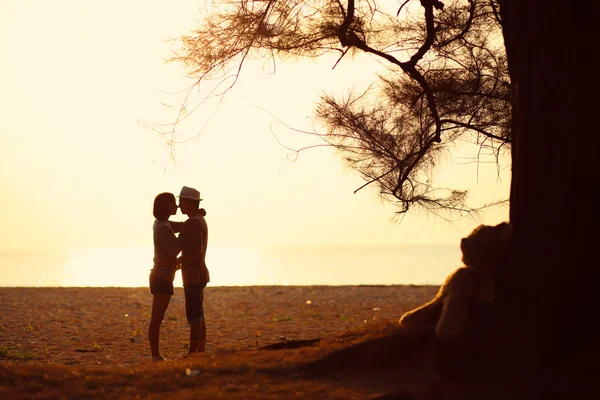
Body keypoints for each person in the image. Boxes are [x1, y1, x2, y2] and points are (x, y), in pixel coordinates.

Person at [148, 192, 182, 362]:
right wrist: (186, 238)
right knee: (157, 318)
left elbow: (180, 226)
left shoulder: (161, 223)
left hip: (161, 276)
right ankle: (155, 355)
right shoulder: (162, 227)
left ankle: (155, 354)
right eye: (173, 204)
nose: (176, 206)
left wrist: (195, 218)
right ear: (165, 207)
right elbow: (175, 249)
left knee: (157, 318)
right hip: (162, 277)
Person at [177, 185, 210, 355]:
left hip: (193, 276)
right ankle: (200, 351)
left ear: (189, 202)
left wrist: (178, 262)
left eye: (181, 202)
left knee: (194, 316)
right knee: (199, 314)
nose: (179, 206)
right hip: (198, 275)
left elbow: (194, 253)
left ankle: (193, 352)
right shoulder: (197, 221)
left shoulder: (194, 223)